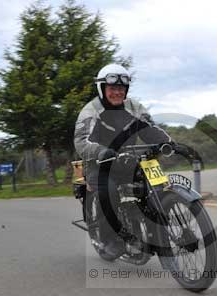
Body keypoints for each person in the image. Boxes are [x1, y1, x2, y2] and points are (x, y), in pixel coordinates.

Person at [74, 64, 173, 258]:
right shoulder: (90, 111)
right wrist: (102, 152)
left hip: (131, 160)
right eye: (112, 88)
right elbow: (80, 141)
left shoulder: (134, 107)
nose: (117, 92)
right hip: (100, 164)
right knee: (108, 191)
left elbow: (150, 129)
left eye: (121, 88)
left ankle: (155, 226)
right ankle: (110, 239)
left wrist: (168, 143)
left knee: (159, 186)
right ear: (102, 88)